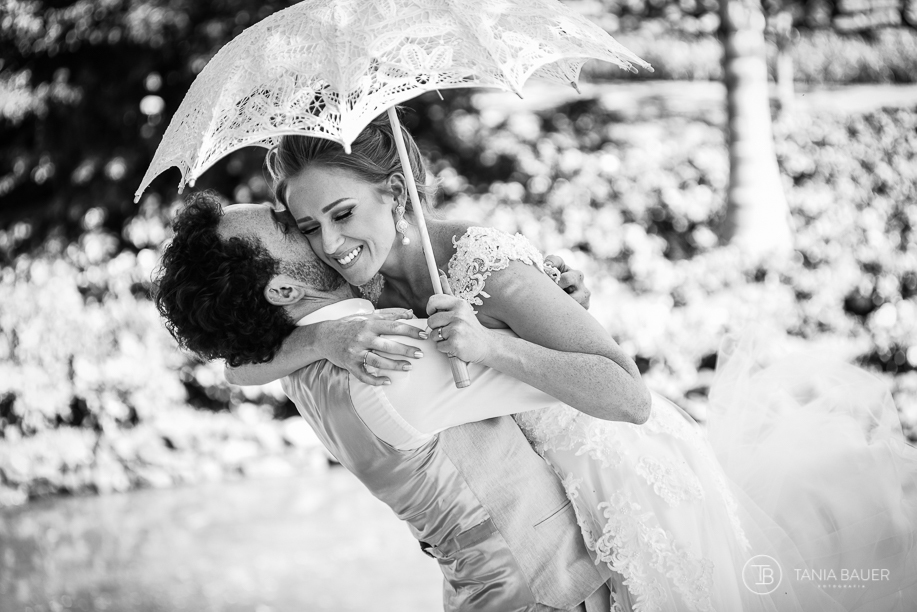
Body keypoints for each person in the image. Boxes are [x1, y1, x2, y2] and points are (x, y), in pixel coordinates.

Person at [221, 115, 917, 611]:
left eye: (342, 214)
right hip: (549, 518)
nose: (331, 244)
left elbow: (627, 395)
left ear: (394, 194)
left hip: (625, 482)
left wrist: (495, 345)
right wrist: (320, 342)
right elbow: (235, 364)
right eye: (309, 227)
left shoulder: (483, 263)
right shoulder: (357, 286)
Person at [156, 193, 619, 612]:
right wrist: (551, 311)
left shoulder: (298, 364)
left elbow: (237, 368)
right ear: (282, 291)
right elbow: (584, 381)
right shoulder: (389, 357)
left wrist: (318, 336)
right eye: (288, 226)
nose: (307, 224)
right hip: (545, 590)